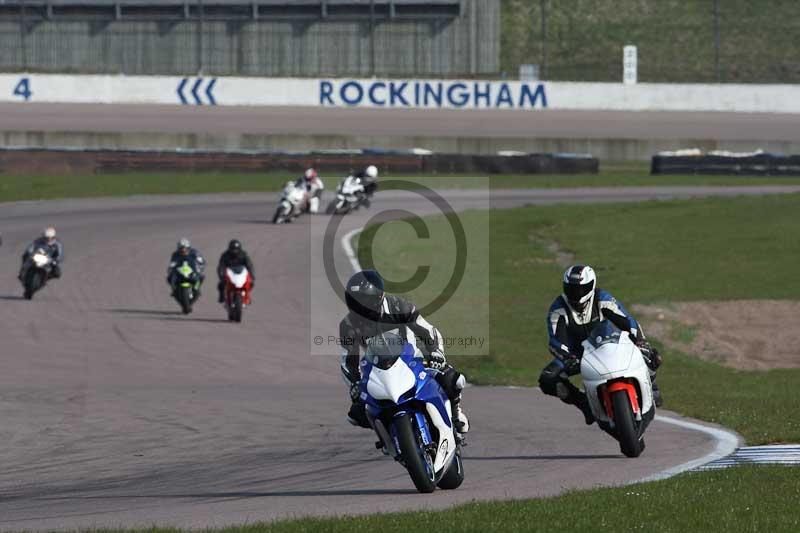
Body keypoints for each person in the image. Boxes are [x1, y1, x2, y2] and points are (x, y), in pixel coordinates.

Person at [338, 270, 469, 436]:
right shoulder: (348, 324)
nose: (361, 306)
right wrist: (354, 384)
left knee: (452, 379)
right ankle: (388, 435)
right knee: (357, 413)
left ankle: (456, 412)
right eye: (356, 302)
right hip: (379, 368)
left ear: (379, 297)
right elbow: (348, 361)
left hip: (413, 359)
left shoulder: (399, 307)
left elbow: (427, 331)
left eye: (365, 301)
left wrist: (436, 353)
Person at [540, 265, 663, 426]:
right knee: (547, 378)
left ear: (591, 286)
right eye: (572, 289)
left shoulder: (602, 298)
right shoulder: (558, 309)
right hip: (577, 355)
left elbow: (627, 321)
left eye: (581, 289)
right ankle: (584, 404)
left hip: (608, 343)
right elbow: (556, 341)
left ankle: (652, 386)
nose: (576, 294)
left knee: (652, 355)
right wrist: (567, 356)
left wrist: (640, 341)